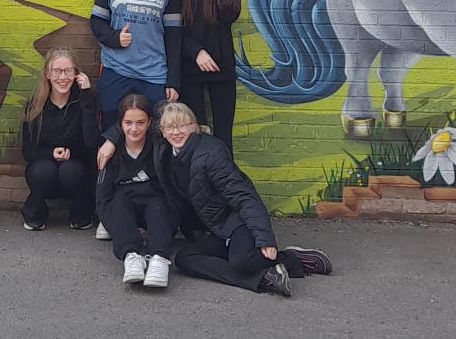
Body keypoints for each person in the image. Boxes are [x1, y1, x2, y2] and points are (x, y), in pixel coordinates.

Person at [98, 102, 332, 295]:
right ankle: (267, 276)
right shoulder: (164, 149)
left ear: (195, 127)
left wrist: (265, 239)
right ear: (161, 130)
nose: (176, 132)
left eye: (183, 125)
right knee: (185, 259)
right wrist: (111, 140)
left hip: (235, 223)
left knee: (242, 261)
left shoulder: (212, 154)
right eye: (170, 127)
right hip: (214, 228)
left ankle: (288, 260)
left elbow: (244, 197)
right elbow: (134, 120)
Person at [89, 0, 183, 130]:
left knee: (156, 135)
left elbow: (175, 35)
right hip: (116, 70)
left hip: (154, 74)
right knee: (111, 133)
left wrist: (173, 80)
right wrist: (115, 38)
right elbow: (96, 22)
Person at [94, 94, 176, 288]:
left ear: (149, 123)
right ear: (120, 124)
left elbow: (172, 194)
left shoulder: (161, 146)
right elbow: (103, 199)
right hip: (124, 210)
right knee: (119, 201)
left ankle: (159, 259)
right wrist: (114, 226)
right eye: (128, 122)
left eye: (140, 122)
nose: (134, 128)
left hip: (155, 208)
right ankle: (131, 257)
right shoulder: (110, 151)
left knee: (158, 204)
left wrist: (172, 222)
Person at [19, 49, 100, 231]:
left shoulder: (84, 100)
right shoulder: (35, 104)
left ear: (76, 74)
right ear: (47, 74)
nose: (62, 77)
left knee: (71, 170)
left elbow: (92, 142)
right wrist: (50, 154)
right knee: (43, 170)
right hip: (44, 168)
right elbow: (28, 151)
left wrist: (86, 96)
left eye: (68, 71)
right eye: (57, 71)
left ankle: (80, 214)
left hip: (76, 168)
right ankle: (36, 212)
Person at [178, 0, 243, 152]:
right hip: (190, 70)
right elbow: (174, 29)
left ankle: (225, 185)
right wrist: (196, 51)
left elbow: (230, 14)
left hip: (222, 68)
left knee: (223, 135)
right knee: (196, 134)